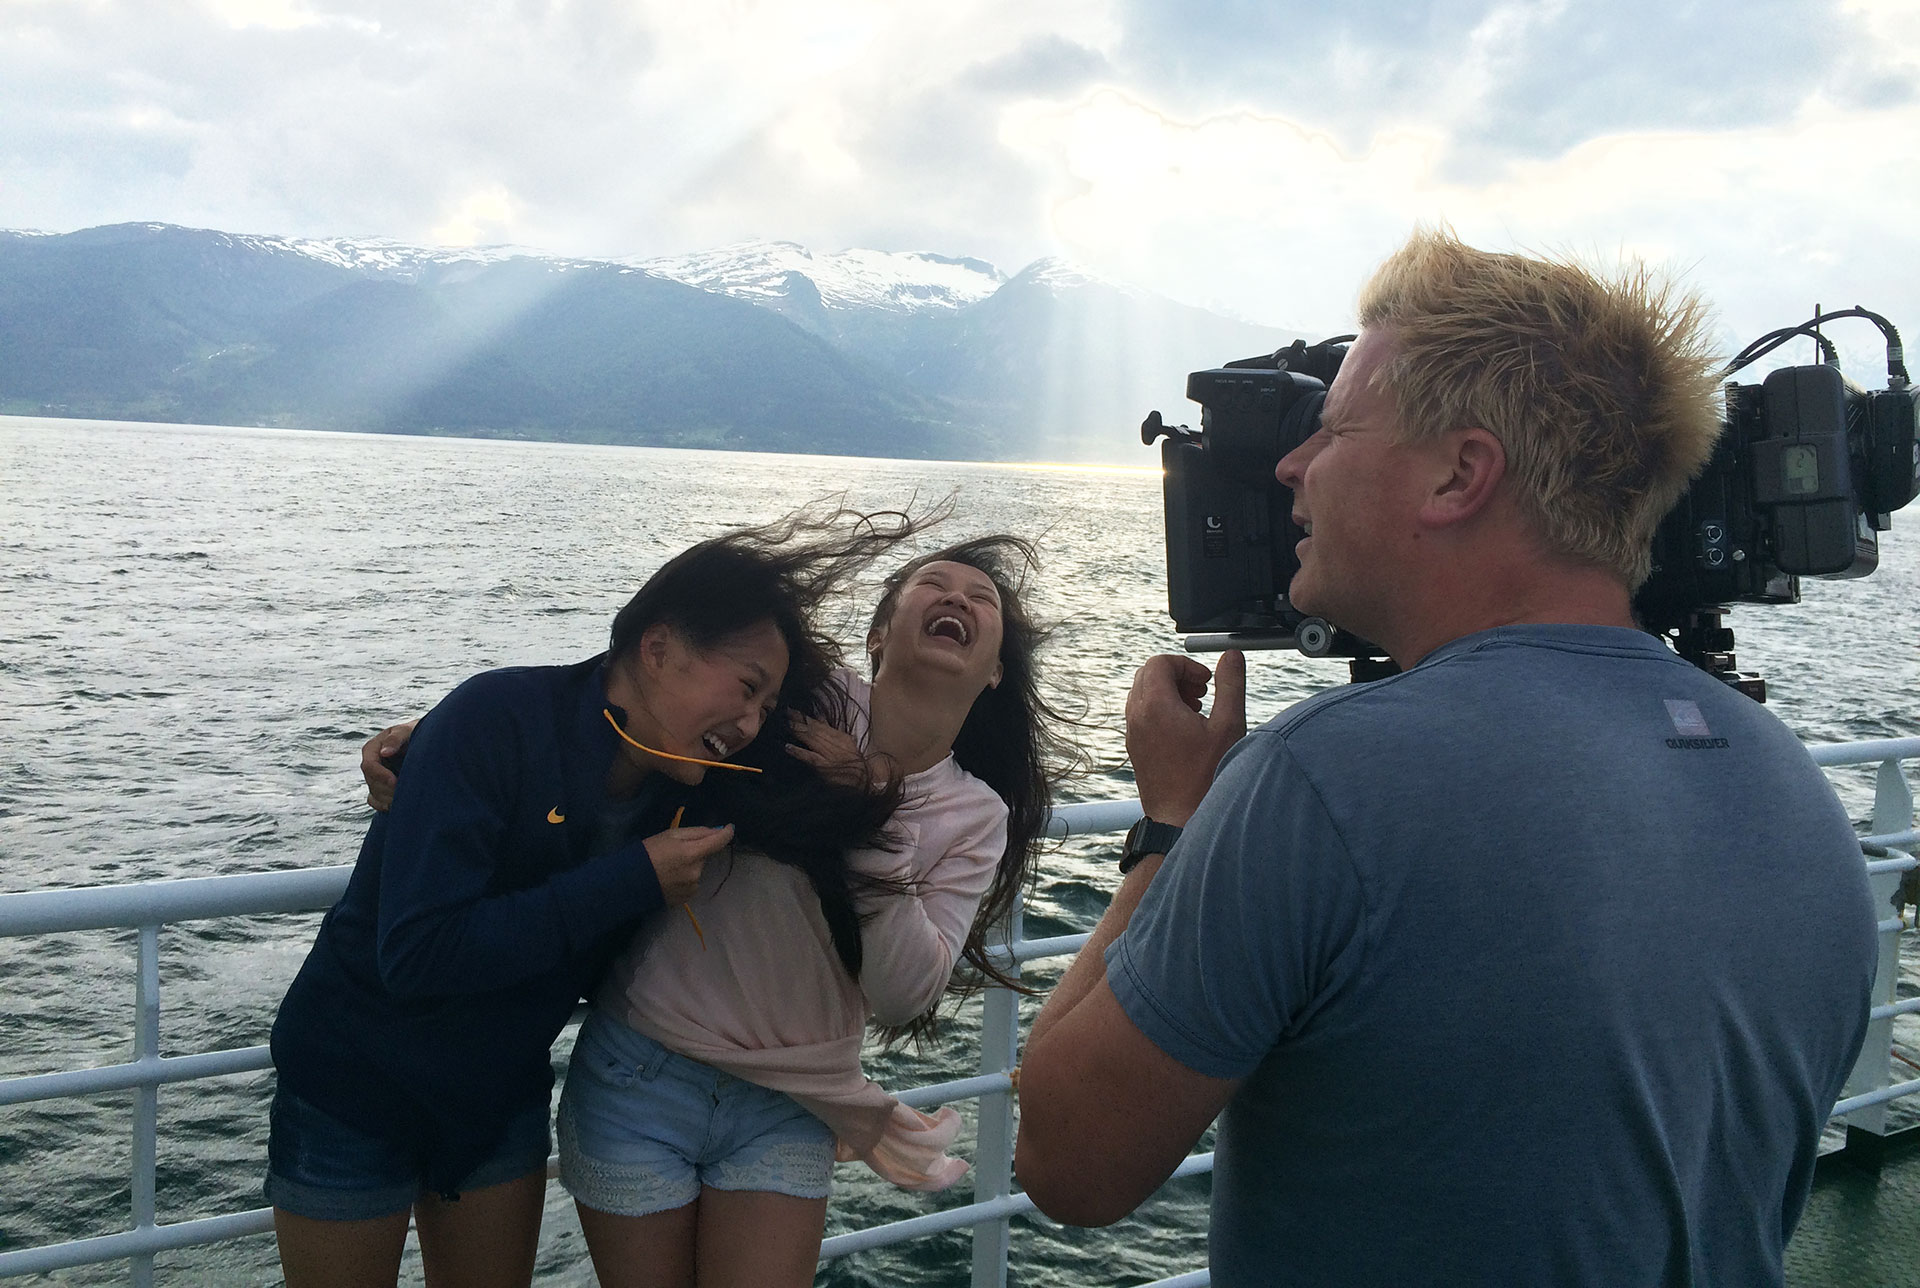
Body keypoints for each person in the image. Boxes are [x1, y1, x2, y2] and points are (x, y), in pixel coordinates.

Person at [1014, 228, 1880, 1287]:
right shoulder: (1787, 779)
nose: (1291, 466)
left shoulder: (1323, 783)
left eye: (1330, 430)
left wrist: (1169, 834)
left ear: (1459, 475)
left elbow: (1067, 1164)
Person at [267, 510, 912, 1288]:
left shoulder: (700, 789)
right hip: (351, 1084)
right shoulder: (492, 719)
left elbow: (832, 815)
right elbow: (417, 953)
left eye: (767, 709)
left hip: (493, 1097)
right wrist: (629, 878)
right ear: (659, 645)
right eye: (746, 690)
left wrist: (868, 779)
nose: (749, 725)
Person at [557, 536, 1072, 1288]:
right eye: (933, 583)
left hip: (791, 1100)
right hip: (643, 1066)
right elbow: (643, 713)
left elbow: (904, 991)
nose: (958, 597)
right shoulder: (801, 704)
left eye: (981, 599)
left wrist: (866, 812)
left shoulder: (974, 815)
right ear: (877, 635)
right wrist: (459, 745)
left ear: (994, 670)